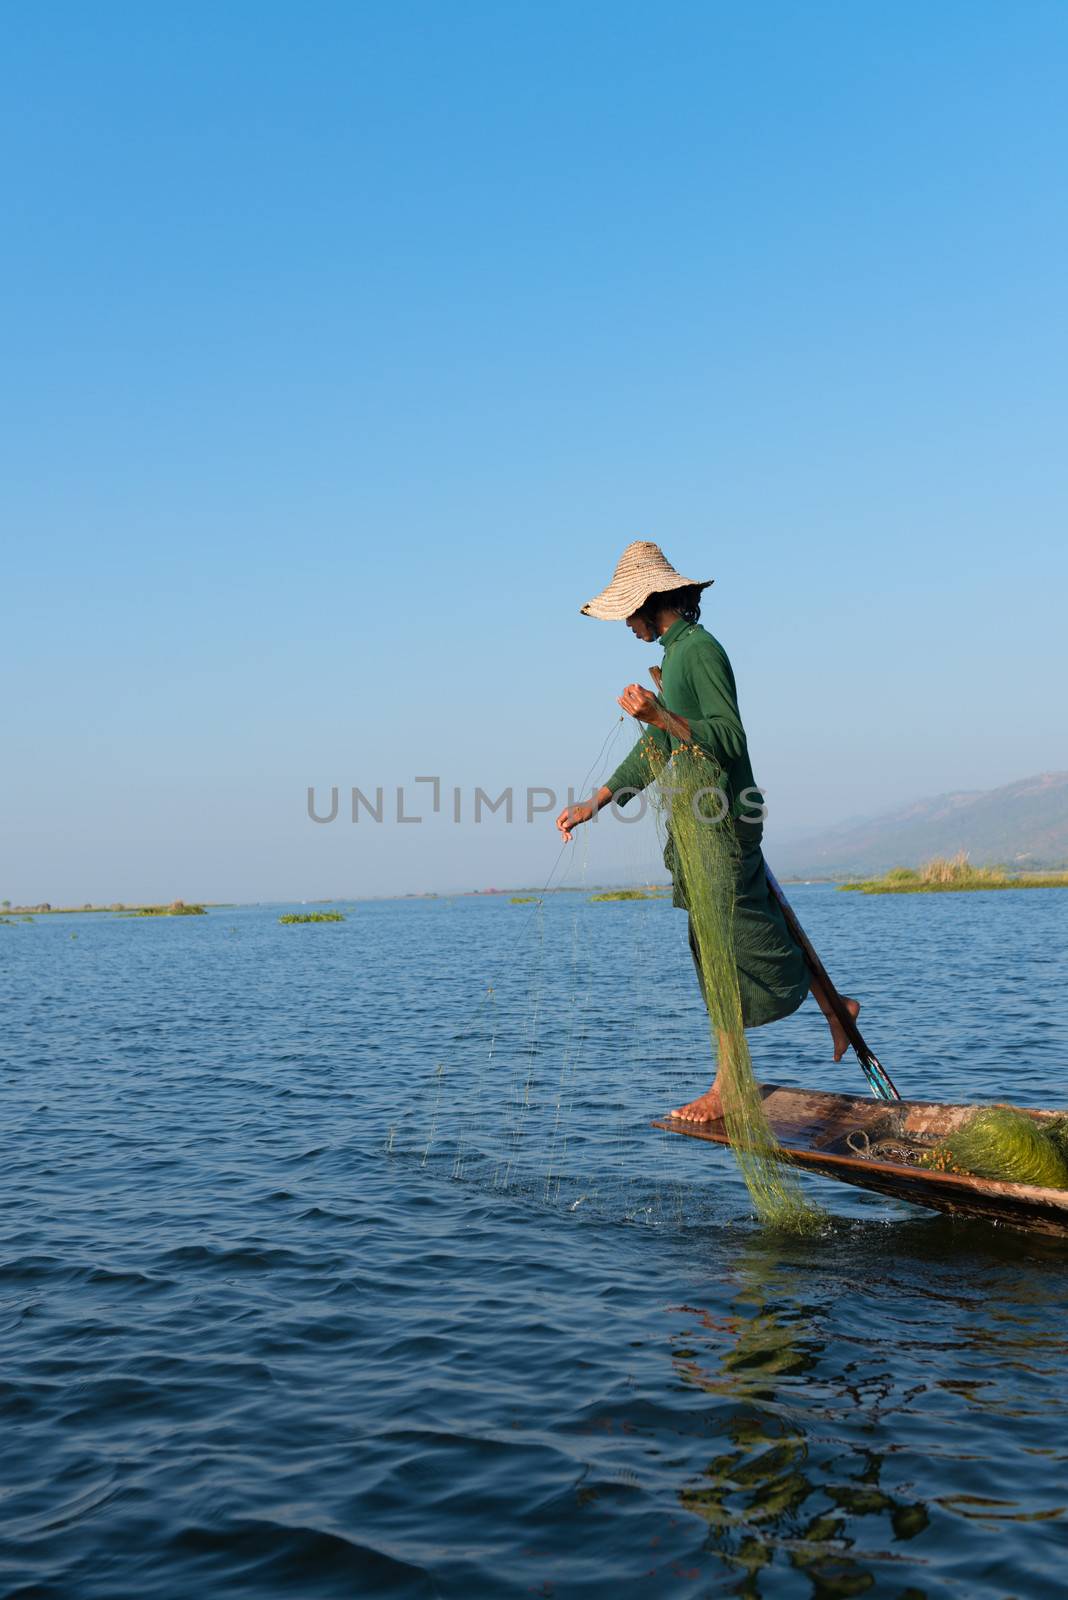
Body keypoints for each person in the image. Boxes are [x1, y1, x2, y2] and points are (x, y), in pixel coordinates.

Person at [555, 540, 860, 1122]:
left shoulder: (698, 652)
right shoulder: (674, 658)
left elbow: (727, 737)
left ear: (650, 602)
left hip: (722, 816)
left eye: (628, 614)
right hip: (704, 818)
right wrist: (595, 801)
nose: (627, 625)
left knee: (721, 944)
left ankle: (733, 1084)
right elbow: (661, 745)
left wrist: (659, 713)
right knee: (729, 930)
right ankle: (834, 1009)